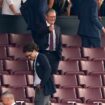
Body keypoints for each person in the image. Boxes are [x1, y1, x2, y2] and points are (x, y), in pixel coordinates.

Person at [32, 9, 62, 74]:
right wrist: (48, 29)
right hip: (43, 54)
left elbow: (59, 43)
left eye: (54, 17)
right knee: (43, 75)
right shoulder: (39, 26)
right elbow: (38, 35)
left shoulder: (58, 28)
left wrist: (59, 56)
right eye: (51, 17)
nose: (53, 18)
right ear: (46, 16)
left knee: (52, 77)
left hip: (54, 56)